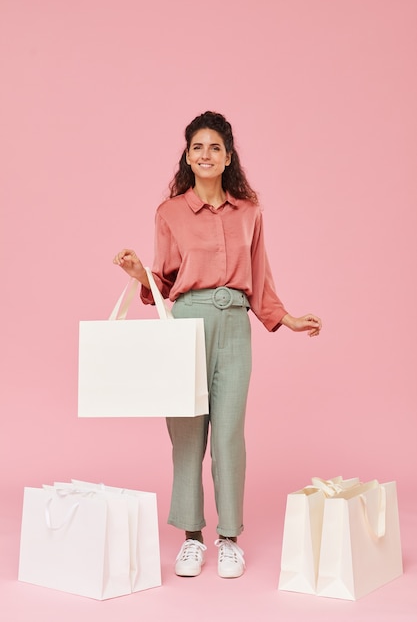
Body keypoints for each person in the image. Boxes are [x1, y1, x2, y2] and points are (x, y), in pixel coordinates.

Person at [113, 111, 321, 579]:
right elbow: (165, 280)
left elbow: (261, 277)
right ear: (188, 156)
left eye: (214, 148)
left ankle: (228, 539)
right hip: (187, 322)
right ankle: (191, 538)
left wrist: (286, 318)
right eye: (197, 148)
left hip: (235, 325)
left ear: (228, 157)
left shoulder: (250, 213)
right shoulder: (169, 212)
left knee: (228, 434)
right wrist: (137, 275)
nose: (205, 155)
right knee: (187, 435)